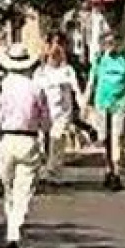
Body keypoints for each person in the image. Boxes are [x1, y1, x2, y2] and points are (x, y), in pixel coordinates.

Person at [0, 43, 49, 248]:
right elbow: (45, 120)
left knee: (9, 188)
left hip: (5, 139)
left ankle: (12, 228)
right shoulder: (36, 87)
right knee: (24, 190)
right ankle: (15, 231)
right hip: (28, 139)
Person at [83, 30, 125, 191]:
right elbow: (92, 81)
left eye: (114, 43)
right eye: (108, 43)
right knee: (103, 137)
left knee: (117, 136)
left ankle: (116, 171)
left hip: (121, 102)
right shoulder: (100, 59)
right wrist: (84, 102)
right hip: (102, 102)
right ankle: (107, 167)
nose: (111, 46)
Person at [32, 38, 81, 185]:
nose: (55, 59)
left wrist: (81, 102)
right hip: (45, 111)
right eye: (52, 56)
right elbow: (35, 91)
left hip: (62, 112)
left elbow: (76, 89)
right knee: (43, 141)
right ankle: (43, 169)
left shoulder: (67, 71)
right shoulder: (41, 72)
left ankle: (54, 171)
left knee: (57, 139)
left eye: (57, 55)